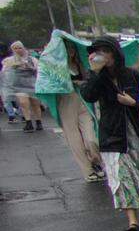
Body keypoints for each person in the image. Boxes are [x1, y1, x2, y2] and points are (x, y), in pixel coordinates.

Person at [81, 36, 139, 231]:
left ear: (114, 52)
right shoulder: (96, 77)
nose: (101, 56)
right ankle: (132, 221)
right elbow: (88, 95)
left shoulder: (132, 75)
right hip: (113, 136)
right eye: (97, 52)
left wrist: (132, 102)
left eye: (104, 51)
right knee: (122, 178)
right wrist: (95, 73)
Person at [33, 30, 104, 182]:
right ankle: (87, 170)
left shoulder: (81, 64)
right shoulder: (53, 65)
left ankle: (96, 162)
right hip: (65, 102)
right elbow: (46, 83)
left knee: (92, 138)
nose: (70, 51)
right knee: (74, 139)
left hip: (84, 102)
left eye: (72, 48)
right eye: (67, 48)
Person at [3, 41, 44, 132]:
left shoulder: (32, 59)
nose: (18, 50)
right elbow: (4, 72)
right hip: (19, 84)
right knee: (23, 103)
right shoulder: (9, 60)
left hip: (32, 83)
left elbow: (39, 70)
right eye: (15, 48)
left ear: (23, 48)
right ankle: (28, 123)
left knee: (35, 104)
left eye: (20, 48)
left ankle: (38, 122)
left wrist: (28, 66)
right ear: (13, 50)